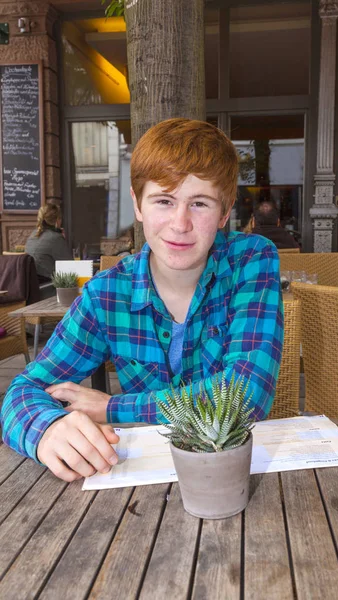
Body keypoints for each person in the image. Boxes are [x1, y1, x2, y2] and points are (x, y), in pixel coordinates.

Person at [1, 118, 283, 482]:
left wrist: (112, 407)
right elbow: (22, 392)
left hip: (234, 472)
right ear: (137, 205)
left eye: (199, 203)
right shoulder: (106, 294)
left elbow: (246, 395)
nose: (180, 224)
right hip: (145, 479)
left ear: (225, 211)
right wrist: (47, 431)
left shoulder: (252, 260)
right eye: (164, 200)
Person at [25, 203, 72, 282]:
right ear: (57, 220)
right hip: (49, 286)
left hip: (33, 285)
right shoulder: (55, 238)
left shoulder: (33, 234)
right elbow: (70, 266)